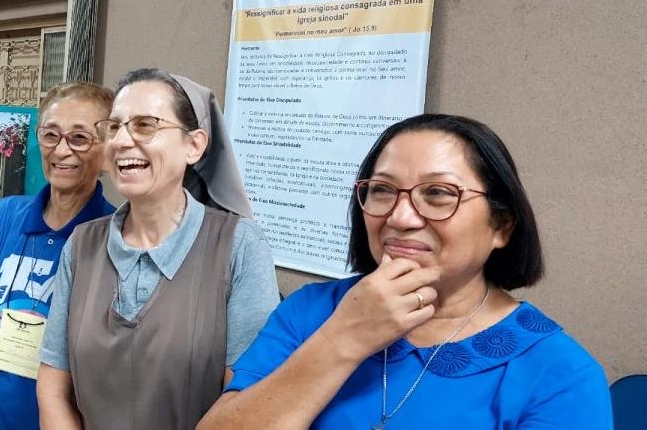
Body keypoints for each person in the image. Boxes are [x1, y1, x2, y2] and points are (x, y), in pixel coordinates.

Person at [198, 114, 613, 429]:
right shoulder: (310, 311)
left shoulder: (560, 373)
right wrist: (343, 338)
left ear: (501, 226)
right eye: (381, 190)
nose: (399, 217)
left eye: (437, 194)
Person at [37, 69, 280, 430]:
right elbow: (53, 386)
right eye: (115, 127)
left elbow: (248, 399)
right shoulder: (83, 245)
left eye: (145, 125)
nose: (122, 141)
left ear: (194, 145)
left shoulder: (239, 247)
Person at [0, 82, 118, 429]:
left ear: (108, 150)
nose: (61, 150)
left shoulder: (115, 237)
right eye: (51, 135)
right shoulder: (4, 217)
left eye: (80, 138)